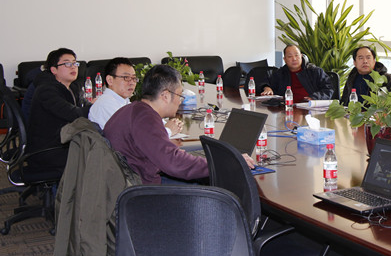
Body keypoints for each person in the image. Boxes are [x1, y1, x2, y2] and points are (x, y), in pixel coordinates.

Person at [104, 64, 254, 184]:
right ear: (165, 96)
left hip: (136, 182)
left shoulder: (135, 110)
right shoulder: (145, 118)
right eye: (179, 95)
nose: (180, 101)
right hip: (144, 193)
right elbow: (174, 163)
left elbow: (163, 154)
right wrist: (227, 163)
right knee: (219, 191)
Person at [27, 48, 91, 173]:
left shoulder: (72, 87)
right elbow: (73, 114)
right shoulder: (46, 91)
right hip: (47, 150)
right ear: (54, 70)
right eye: (67, 63)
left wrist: (95, 106)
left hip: (65, 141)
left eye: (75, 63)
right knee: (97, 156)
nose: (73, 67)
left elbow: (83, 107)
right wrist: (99, 107)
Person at [260, 45, 333, 102]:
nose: (294, 59)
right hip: (287, 109)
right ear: (285, 59)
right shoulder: (280, 74)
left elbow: (329, 89)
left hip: (310, 108)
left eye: (296, 55)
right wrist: (267, 87)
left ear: (301, 56)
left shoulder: (315, 72)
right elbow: (265, 81)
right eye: (290, 56)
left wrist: (314, 97)